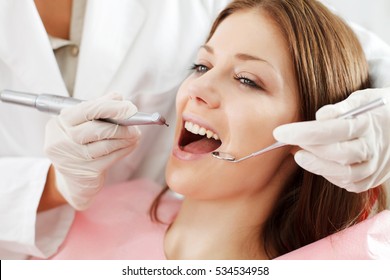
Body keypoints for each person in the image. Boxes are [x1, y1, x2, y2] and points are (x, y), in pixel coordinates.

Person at [0, 0, 389, 259]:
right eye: (200, 66)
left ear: (311, 127)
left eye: (247, 80)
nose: (197, 89)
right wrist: (52, 185)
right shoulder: (93, 225)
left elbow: (345, 52)